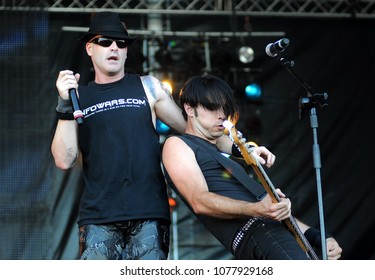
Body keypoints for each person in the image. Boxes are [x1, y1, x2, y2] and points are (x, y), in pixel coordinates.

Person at [51, 12, 263, 260]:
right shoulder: (79, 97)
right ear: (89, 48)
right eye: (105, 42)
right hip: (99, 217)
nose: (114, 48)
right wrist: (65, 104)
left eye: (121, 43)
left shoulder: (147, 87)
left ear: (127, 51)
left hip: (149, 214)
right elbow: (64, 160)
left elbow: (195, 129)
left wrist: (245, 150)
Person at [162, 74, 343, 260]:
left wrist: (318, 237)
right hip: (257, 234)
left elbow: (270, 208)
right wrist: (257, 209)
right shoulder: (177, 144)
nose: (222, 114)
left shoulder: (225, 158)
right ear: (190, 109)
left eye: (224, 108)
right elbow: (199, 201)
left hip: (276, 231)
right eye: (212, 107)